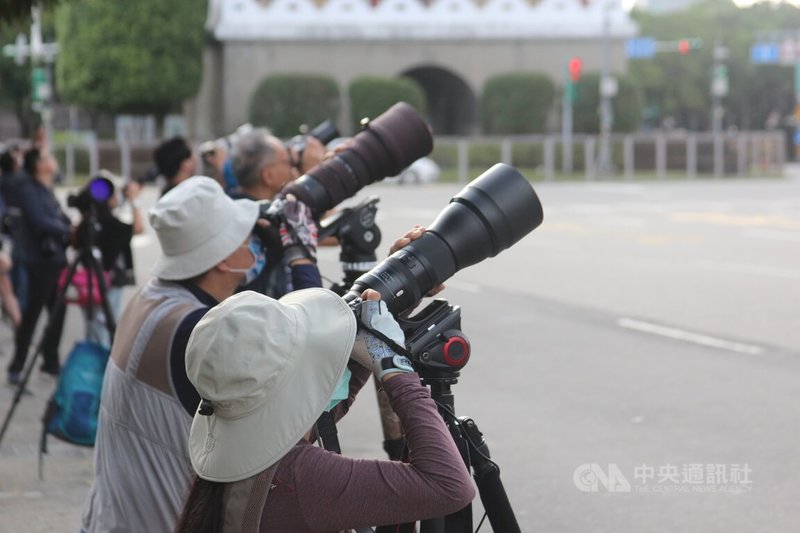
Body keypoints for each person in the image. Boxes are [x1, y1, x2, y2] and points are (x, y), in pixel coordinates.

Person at [175, 288, 475, 532]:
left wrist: (399, 299)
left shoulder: (247, 452)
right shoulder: (301, 478)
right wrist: (396, 369)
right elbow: (449, 486)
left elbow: (322, 396)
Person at [80, 176, 268, 532]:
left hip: (112, 518)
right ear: (225, 261)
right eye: (247, 238)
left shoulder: (152, 299)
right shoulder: (192, 331)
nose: (255, 246)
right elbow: (287, 417)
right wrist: (303, 265)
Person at [230, 129, 321, 297]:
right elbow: (320, 232)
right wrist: (314, 175)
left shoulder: (231, 208)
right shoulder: (262, 223)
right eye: (286, 161)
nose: (292, 165)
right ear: (268, 176)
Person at [6, 148, 71, 384]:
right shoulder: (28, 189)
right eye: (47, 156)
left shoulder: (47, 189)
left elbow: (58, 217)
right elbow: (40, 221)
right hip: (41, 262)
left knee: (58, 311)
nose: (53, 159)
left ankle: (50, 362)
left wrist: (70, 227)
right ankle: (17, 364)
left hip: (56, 260)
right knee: (33, 313)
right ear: (38, 165)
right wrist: (68, 231)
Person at [73, 174, 145, 347]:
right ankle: (102, 365)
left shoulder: (86, 224)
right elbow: (139, 228)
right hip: (109, 283)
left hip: (89, 284)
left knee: (93, 328)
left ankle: (93, 361)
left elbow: (74, 241)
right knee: (105, 329)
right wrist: (134, 200)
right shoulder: (113, 224)